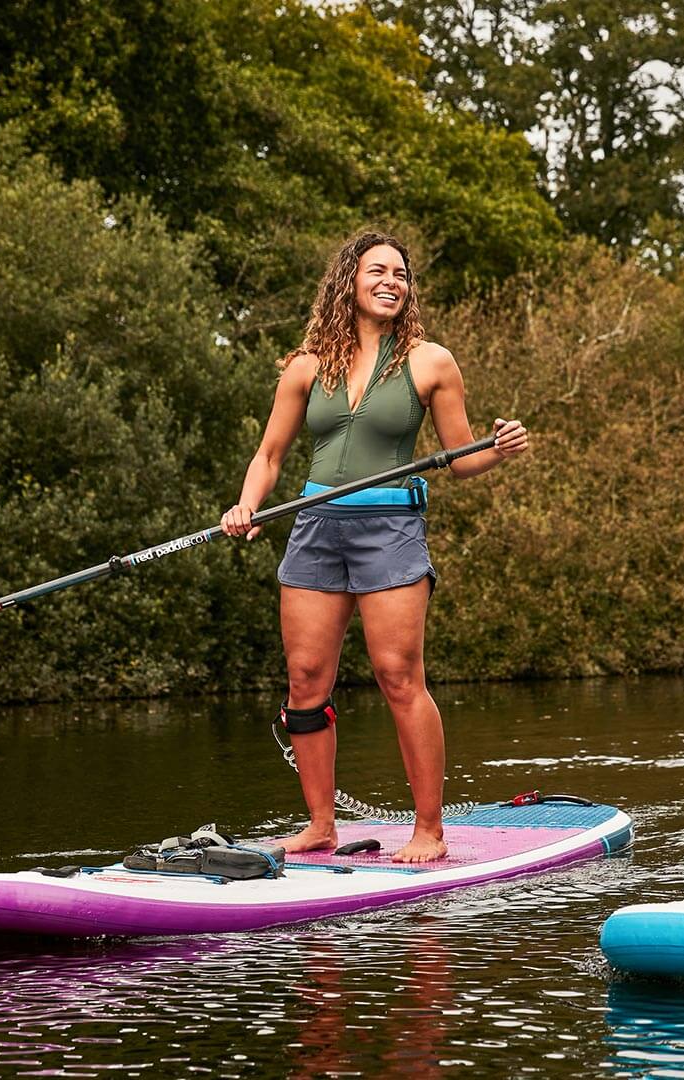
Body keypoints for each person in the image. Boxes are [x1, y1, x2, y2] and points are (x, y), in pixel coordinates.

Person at [221, 230, 529, 863]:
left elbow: (462, 458)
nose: (392, 281)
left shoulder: (431, 362)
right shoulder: (306, 365)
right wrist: (248, 504)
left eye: (402, 274)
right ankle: (319, 826)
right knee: (305, 681)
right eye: (377, 271)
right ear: (349, 283)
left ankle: (429, 831)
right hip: (314, 529)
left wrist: (497, 449)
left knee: (397, 676)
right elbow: (271, 454)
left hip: (389, 529)